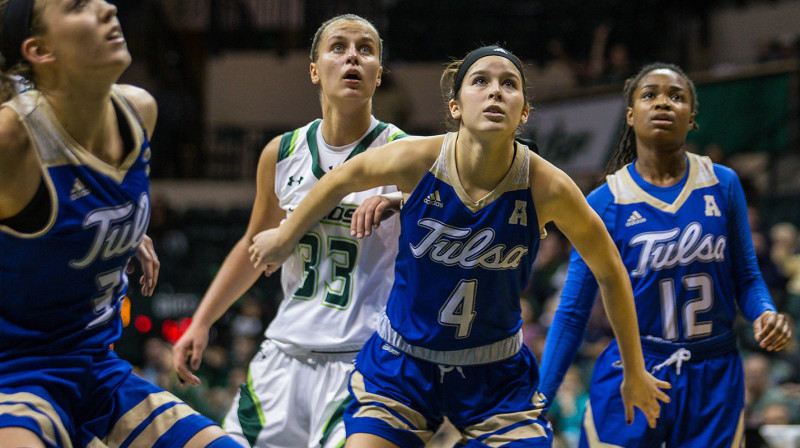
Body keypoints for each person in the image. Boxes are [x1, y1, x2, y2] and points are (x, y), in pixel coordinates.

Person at [248, 45, 669, 448]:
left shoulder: (548, 185)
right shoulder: (416, 158)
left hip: (495, 375)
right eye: (480, 81)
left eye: (508, 84)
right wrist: (285, 236)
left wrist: (634, 370)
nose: (494, 91)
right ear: (455, 106)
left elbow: (611, 270)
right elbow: (338, 179)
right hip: (404, 363)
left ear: (523, 112)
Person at [0, 0, 241, 447]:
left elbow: (85, 210)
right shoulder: (14, 138)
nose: (107, 6)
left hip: (98, 369)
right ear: (39, 50)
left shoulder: (138, 110)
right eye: (77, 6)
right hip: (16, 373)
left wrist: (126, 232)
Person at [172, 14, 408, 448]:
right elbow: (252, 246)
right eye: (338, 46)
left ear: (378, 74)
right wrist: (202, 321)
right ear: (314, 70)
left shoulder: (401, 152)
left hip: (361, 360)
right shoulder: (280, 153)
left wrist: (401, 200)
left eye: (366, 49)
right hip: (283, 355)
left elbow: (456, 210)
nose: (352, 55)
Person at [537, 62, 793, 447]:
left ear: (692, 117)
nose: (662, 103)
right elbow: (573, 311)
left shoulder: (723, 184)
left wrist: (765, 314)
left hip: (714, 371)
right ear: (630, 115)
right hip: (635, 365)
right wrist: (540, 400)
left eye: (676, 97)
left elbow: (748, 280)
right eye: (649, 95)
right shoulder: (605, 202)